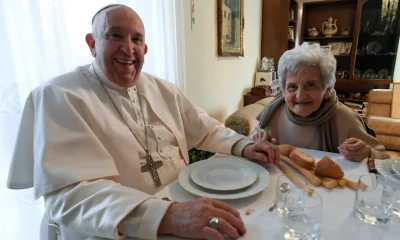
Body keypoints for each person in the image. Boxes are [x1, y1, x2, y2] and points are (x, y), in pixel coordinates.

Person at [6, 4, 280, 240]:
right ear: (91, 43)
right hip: (115, 227)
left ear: (145, 48)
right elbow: (70, 195)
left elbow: (204, 126)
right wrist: (167, 215)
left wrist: (243, 146)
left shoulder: (163, 89)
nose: (128, 48)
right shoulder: (58, 96)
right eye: (115, 35)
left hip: (182, 206)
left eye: (136, 39)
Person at [251, 43, 390, 161]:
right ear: (283, 90)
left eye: (310, 85)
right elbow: (254, 139)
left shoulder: (344, 118)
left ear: (327, 89)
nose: (300, 95)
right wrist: (257, 139)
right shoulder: (273, 112)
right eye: (292, 87)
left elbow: (384, 158)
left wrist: (367, 153)